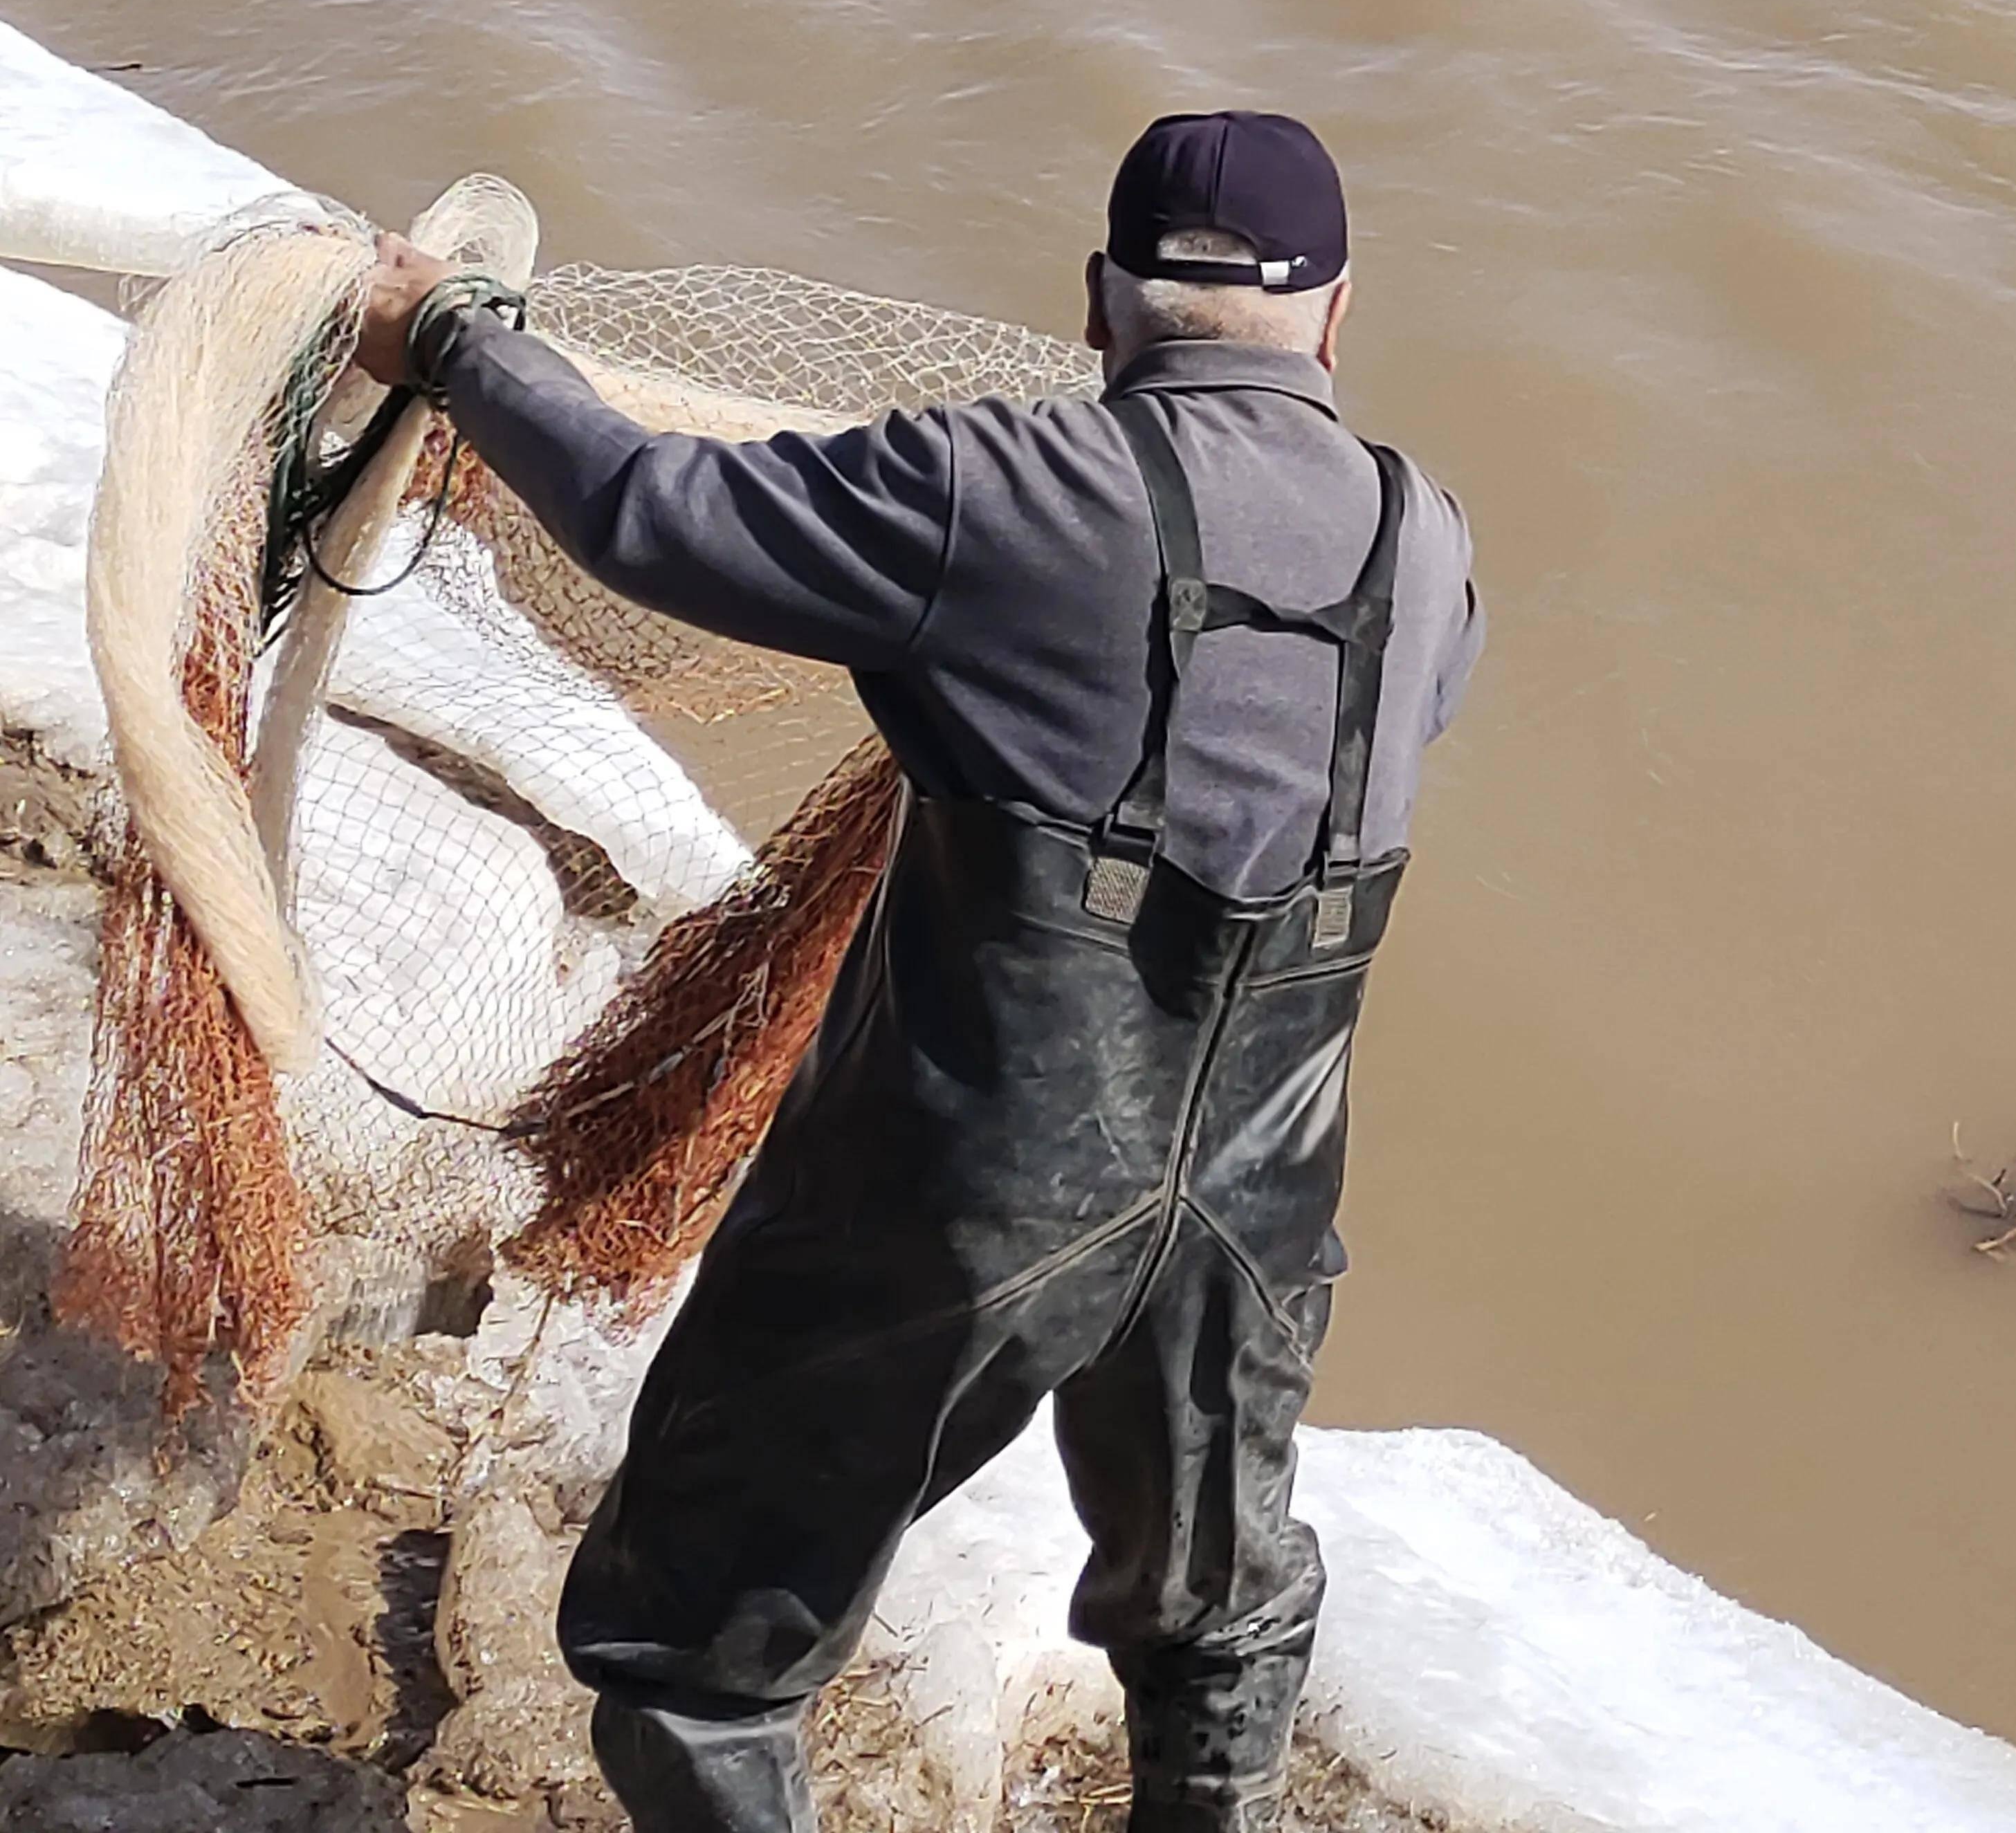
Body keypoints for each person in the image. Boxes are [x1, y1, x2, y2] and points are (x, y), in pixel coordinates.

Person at [356, 111, 1484, 1833]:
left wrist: (455, 341)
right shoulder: (1432, 542)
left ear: (1101, 304)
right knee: (1216, 1604)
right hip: (1256, 1215)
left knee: (692, 1650)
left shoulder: (1000, 487)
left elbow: (653, 516)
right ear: (1337, 317)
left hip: (968, 1197)